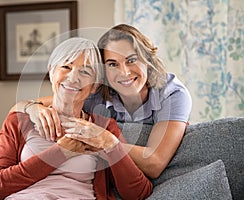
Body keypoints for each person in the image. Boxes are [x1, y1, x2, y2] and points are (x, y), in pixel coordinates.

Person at [10, 24, 192, 179]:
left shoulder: (172, 93)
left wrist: (104, 140)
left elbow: (154, 163)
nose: (124, 72)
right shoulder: (96, 94)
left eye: (131, 60)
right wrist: (33, 109)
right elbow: (19, 108)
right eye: (113, 64)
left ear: (148, 59)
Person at [0, 37, 152, 200]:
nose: (73, 78)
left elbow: (138, 193)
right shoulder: (20, 120)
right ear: (52, 72)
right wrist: (61, 152)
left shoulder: (103, 128)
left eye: (85, 71)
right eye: (66, 67)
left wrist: (111, 145)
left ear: (95, 86)